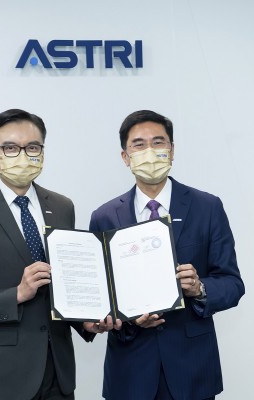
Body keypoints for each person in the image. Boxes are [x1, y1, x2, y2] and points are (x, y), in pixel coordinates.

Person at [0, 109, 115, 400]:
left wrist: (86, 322)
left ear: (42, 152)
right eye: (10, 148)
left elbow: (64, 287)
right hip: (0, 379)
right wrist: (16, 294)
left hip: (58, 374)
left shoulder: (62, 206)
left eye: (32, 147)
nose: (23, 155)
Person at [89, 110, 245, 400]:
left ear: (172, 151)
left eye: (158, 142)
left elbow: (233, 283)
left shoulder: (207, 207)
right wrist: (128, 319)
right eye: (138, 144)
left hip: (192, 368)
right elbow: (100, 296)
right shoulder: (104, 217)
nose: (149, 151)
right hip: (130, 370)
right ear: (125, 156)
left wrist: (200, 289)